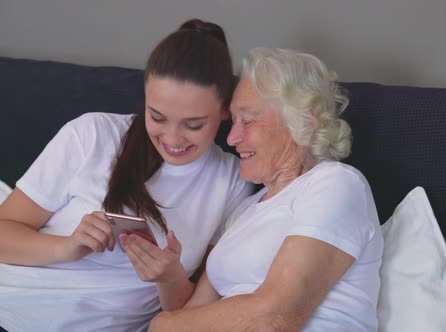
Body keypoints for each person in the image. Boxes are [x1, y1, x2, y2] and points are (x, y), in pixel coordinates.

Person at [0, 19, 253, 332]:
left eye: (193, 125)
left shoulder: (233, 181)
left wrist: (170, 278)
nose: (172, 140)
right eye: (157, 117)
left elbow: (193, 315)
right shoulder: (92, 134)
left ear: (225, 111)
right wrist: (68, 247)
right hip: (13, 306)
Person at [148, 48, 384, 331]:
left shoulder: (336, 184)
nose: (233, 138)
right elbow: (194, 314)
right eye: (233, 121)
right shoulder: (245, 210)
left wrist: (162, 324)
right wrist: (168, 285)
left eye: (247, 121)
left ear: (303, 122)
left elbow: (274, 318)